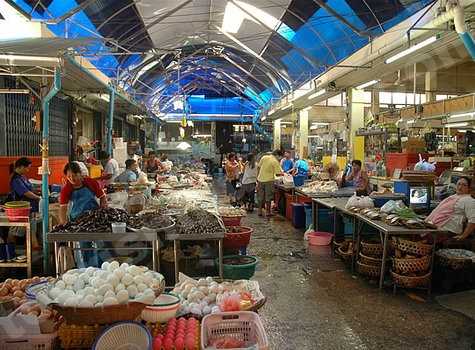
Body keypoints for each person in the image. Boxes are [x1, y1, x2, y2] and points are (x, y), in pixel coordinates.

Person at [59, 162, 107, 267]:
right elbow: (63, 209)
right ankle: (87, 269)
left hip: (95, 218)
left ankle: (104, 268)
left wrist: (103, 210)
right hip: (78, 221)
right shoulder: (66, 189)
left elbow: (102, 197)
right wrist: (63, 224)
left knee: (101, 244)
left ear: (80, 174)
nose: (72, 178)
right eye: (69, 176)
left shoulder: (91, 183)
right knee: (84, 246)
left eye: (75, 175)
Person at [426, 176, 475, 241]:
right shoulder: (453, 197)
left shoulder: (469, 200)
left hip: (447, 231)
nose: (460, 187)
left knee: (418, 236)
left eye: (464, 185)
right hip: (437, 227)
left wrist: (463, 235)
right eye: (459, 184)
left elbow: (473, 219)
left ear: (469, 188)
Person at [8, 157, 41, 250]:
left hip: (29, 208)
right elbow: (25, 192)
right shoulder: (15, 179)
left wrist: (38, 190)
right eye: (27, 168)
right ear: (21, 167)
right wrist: (38, 197)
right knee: (16, 230)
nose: (28, 170)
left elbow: (29, 188)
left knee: (32, 227)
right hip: (19, 209)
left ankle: (34, 245)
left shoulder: (22, 177)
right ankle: (9, 249)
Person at [257, 149, 283, 217]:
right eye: (280, 156)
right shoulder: (275, 161)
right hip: (269, 180)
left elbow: (258, 167)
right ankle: (268, 212)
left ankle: (259, 211)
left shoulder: (264, 157)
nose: (280, 158)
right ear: (277, 155)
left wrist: (258, 177)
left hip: (260, 179)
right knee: (268, 197)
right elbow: (278, 174)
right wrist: (284, 174)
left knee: (260, 196)